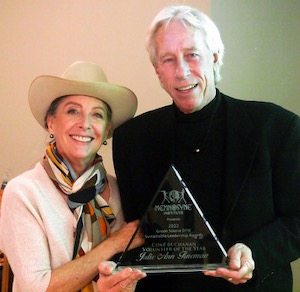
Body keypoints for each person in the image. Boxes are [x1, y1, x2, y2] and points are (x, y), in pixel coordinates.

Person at [112, 5, 300, 292]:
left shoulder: (277, 128)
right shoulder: (132, 140)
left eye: (192, 55)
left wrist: (254, 252)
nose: (182, 71)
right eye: (168, 59)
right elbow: (137, 232)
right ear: (157, 71)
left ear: (214, 57)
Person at [0, 61, 146, 291]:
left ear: (107, 130)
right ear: (51, 123)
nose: (85, 124)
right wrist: (114, 243)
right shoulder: (22, 192)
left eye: (97, 115)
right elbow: (35, 288)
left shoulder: (119, 190)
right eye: (73, 111)